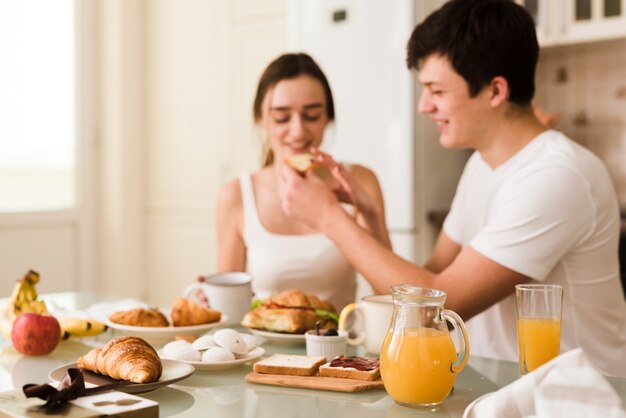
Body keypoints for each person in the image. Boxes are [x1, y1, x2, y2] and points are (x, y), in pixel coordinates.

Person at [278, 0, 626, 377]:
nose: (424, 106)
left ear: (495, 91)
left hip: (578, 400)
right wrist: (372, 220)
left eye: (436, 90)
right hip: (504, 390)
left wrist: (328, 218)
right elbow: (421, 287)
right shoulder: (482, 164)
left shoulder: (557, 176)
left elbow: (440, 305)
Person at [215, 53, 391, 312]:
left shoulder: (359, 181)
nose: (297, 131)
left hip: (341, 350)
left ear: (327, 118)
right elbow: (229, 311)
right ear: (260, 119)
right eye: (282, 117)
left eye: (311, 115)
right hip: (268, 352)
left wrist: (370, 215)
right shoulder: (236, 196)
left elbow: (389, 296)